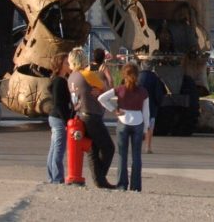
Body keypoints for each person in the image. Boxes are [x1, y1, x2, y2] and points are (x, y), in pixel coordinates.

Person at [67, 47, 115, 189]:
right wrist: (101, 90)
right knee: (108, 148)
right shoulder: (87, 74)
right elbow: (107, 88)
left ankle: (100, 180)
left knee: (93, 149)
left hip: (80, 114)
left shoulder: (71, 77)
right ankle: (100, 177)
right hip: (92, 115)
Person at [98, 62, 149, 191]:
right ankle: (136, 186)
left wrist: (114, 109)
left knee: (122, 155)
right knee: (136, 156)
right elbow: (146, 113)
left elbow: (101, 98)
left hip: (123, 121)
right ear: (137, 75)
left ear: (123, 75)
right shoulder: (143, 92)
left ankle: (122, 184)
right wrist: (145, 129)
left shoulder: (119, 89)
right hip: (138, 122)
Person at [47, 52, 72, 183]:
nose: (69, 65)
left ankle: (52, 176)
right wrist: (66, 120)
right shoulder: (59, 81)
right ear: (60, 65)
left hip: (55, 117)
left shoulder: (59, 80)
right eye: (67, 63)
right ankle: (57, 178)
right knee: (58, 149)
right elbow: (59, 103)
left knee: (54, 148)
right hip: (58, 118)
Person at [136, 60, 164, 154]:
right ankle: (148, 147)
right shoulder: (155, 78)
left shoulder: (137, 77)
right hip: (151, 107)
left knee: (138, 127)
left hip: (138, 106)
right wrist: (158, 103)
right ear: (152, 67)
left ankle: (137, 147)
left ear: (141, 66)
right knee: (149, 128)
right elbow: (158, 94)